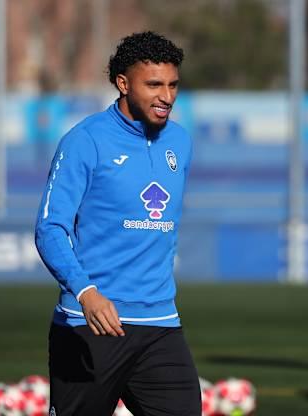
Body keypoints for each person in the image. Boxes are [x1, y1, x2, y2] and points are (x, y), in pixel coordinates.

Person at [35, 31, 201, 416]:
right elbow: (50, 228)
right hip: (89, 325)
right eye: (154, 84)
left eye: (173, 84)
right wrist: (85, 292)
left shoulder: (180, 142)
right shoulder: (85, 140)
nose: (167, 96)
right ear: (123, 84)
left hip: (160, 323)